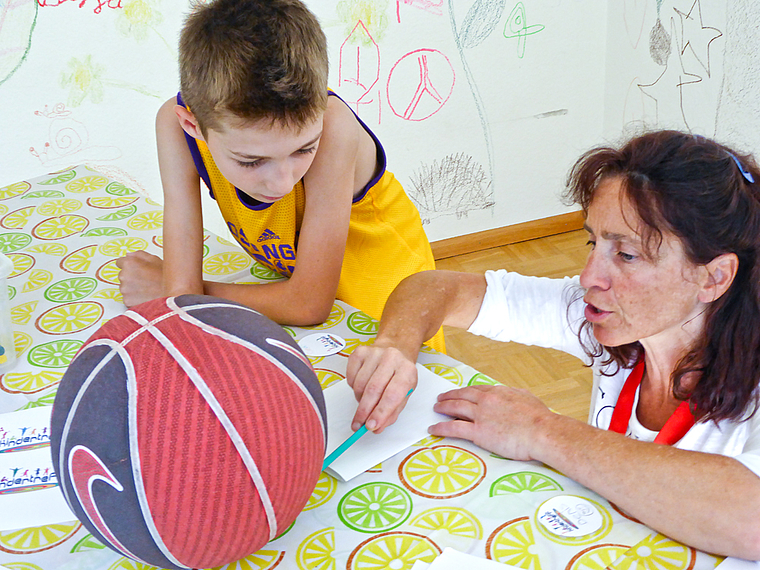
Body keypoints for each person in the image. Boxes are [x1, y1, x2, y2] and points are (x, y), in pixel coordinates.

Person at [346, 130, 760, 557]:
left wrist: (541, 431)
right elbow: (435, 288)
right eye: (592, 242)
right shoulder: (609, 319)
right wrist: (393, 346)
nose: (588, 277)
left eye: (627, 255)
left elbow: (750, 519)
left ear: (714, 277)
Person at [115, 0, 445, 352]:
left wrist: (174, 288)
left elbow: (307, 305)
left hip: (384, 296)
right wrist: (180, 289)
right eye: (252, 161)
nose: (283, 183)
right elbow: (184, 293)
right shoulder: (174, 125)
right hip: (294, 292)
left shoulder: (336, 129)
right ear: (192, 124)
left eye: (304, 150)